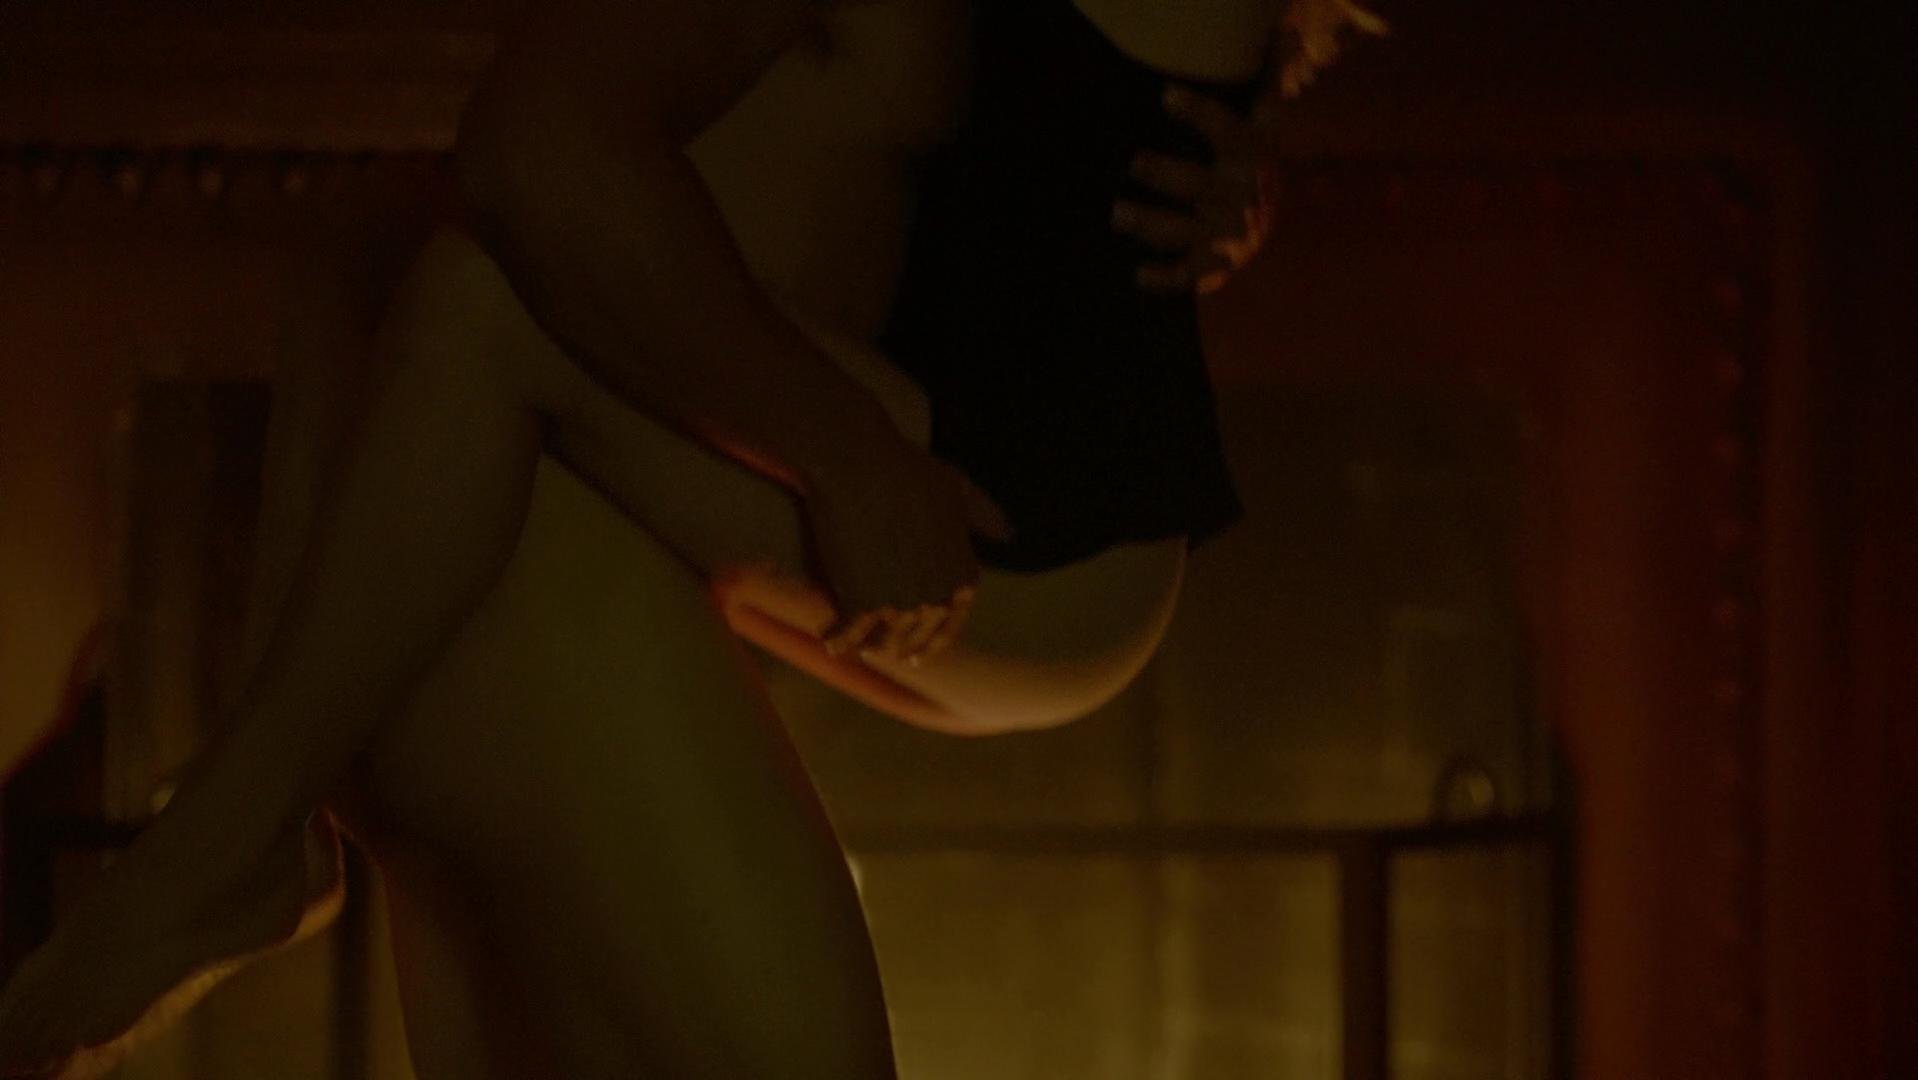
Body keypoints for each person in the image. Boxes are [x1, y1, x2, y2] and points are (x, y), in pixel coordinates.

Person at [0, 0, 1378, 1075]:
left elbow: (537, 161)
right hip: (866, 473)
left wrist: (1239, 152)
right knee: (418, 274)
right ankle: (239, 837)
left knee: (475, 300)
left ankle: (225, 842)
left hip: (1014, 510)